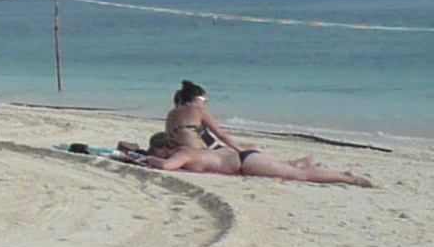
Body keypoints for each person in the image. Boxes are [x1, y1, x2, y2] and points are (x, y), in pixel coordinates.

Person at [139, 81, 373, 186]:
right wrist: (241, 149)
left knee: (290, 170)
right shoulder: (199, 112)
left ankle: (344, 176)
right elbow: (221, 136)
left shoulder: (172, 116)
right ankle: (345, 176)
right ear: (197, 100)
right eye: (204, 100)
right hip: (226, 157)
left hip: (226, 159)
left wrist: (142, 156)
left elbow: (169, 154)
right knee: (291, 170)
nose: (205, 103)